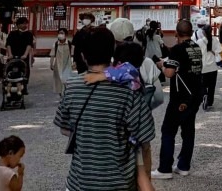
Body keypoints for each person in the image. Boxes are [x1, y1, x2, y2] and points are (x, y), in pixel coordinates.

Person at [54, 26, 156, 191]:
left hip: (80, 182)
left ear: (83, 56)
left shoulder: (71, 86)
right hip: (120, 182)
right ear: (112, 51)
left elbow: (65, 128)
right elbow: (144, 139)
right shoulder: (129, 88)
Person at [85, 41, 162, 189]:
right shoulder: (135, 72)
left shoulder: (129, 70)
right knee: (142, 174)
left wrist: (101, 76)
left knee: (141, 176)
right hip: (136, 131)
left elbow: (122, 70)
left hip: (131, 135)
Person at [152, 20, 203, 180]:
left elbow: (169, 73)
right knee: (188, 131)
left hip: (180, 96)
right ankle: (183, 166)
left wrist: (161, 65)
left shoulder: (177, 49)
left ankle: (165, 168)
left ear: (176, 33)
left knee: (168, 131)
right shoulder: (196, 48)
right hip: (195, 94)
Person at [197, 24, 222, 111]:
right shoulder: (215, 40)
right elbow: (220, 51)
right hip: (213, 67)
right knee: (212, 86)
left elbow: (197, 54)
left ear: (203, 32)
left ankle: (204, 95)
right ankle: (210, 102)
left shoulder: (199, 42)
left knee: (202, 84)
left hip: (203, 67)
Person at [6, 18, 34, 93]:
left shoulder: (29, 34)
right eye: (23, 23)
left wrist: (25, 54)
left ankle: (24, 86)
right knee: (10, 69)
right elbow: (8, 44)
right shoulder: (12, 33)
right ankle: (9, 84)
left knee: (25, 69)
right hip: (13, 55)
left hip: (23, 56)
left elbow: (29, 45)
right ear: (18, 25)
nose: (25, 25)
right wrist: (10, 54)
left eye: (26, 23)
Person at [49, 28, 73, 95]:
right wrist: (51, 64)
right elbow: (52, 55)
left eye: (62, 33)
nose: (60, 34)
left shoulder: (70, 44)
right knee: (59, 81)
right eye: (59, 33)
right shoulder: (55, 44)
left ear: (66, 35)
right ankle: (61, 95)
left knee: (66, 80)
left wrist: (74, 63)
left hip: (67, 65)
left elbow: (73, 55)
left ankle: (66, 94)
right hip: (57, 65)